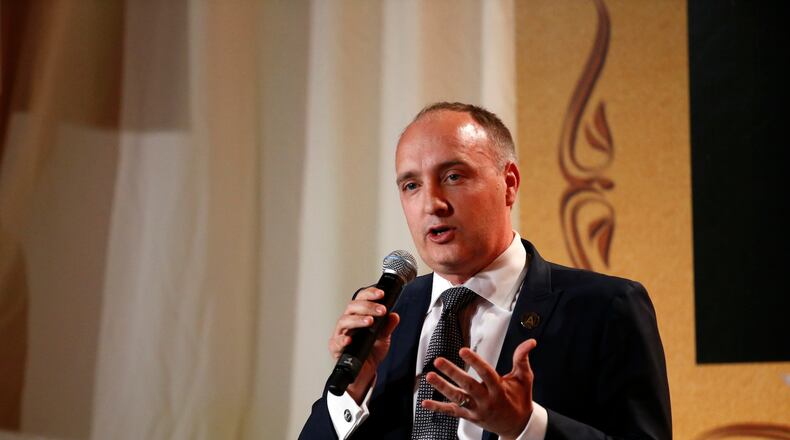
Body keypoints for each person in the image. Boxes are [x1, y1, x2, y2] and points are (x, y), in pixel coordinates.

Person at [300, 102, 671, 439]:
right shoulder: (387, 316)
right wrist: (352, 389)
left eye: (453, 177)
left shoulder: (606, 308)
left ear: (508, 184)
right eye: (411, 185)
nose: (432, 203)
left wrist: (526, 426)